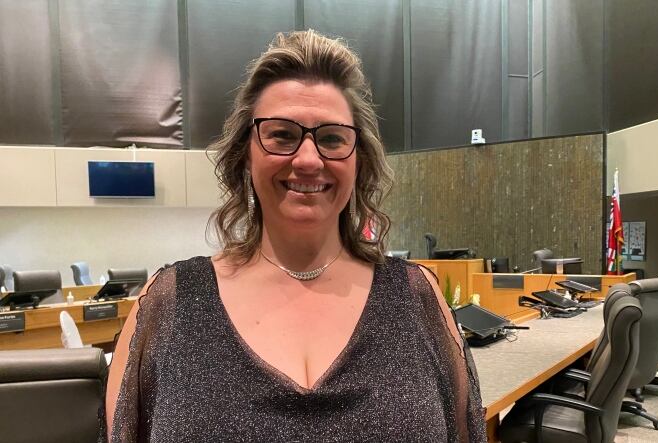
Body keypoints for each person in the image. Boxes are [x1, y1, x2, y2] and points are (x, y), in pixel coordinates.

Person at [106, 30, 486, 442]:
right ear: (245, 156)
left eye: (332, 138)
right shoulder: (171, 303)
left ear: (360, 161)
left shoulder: (416, 298)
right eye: (282, 135)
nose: (308, 159)